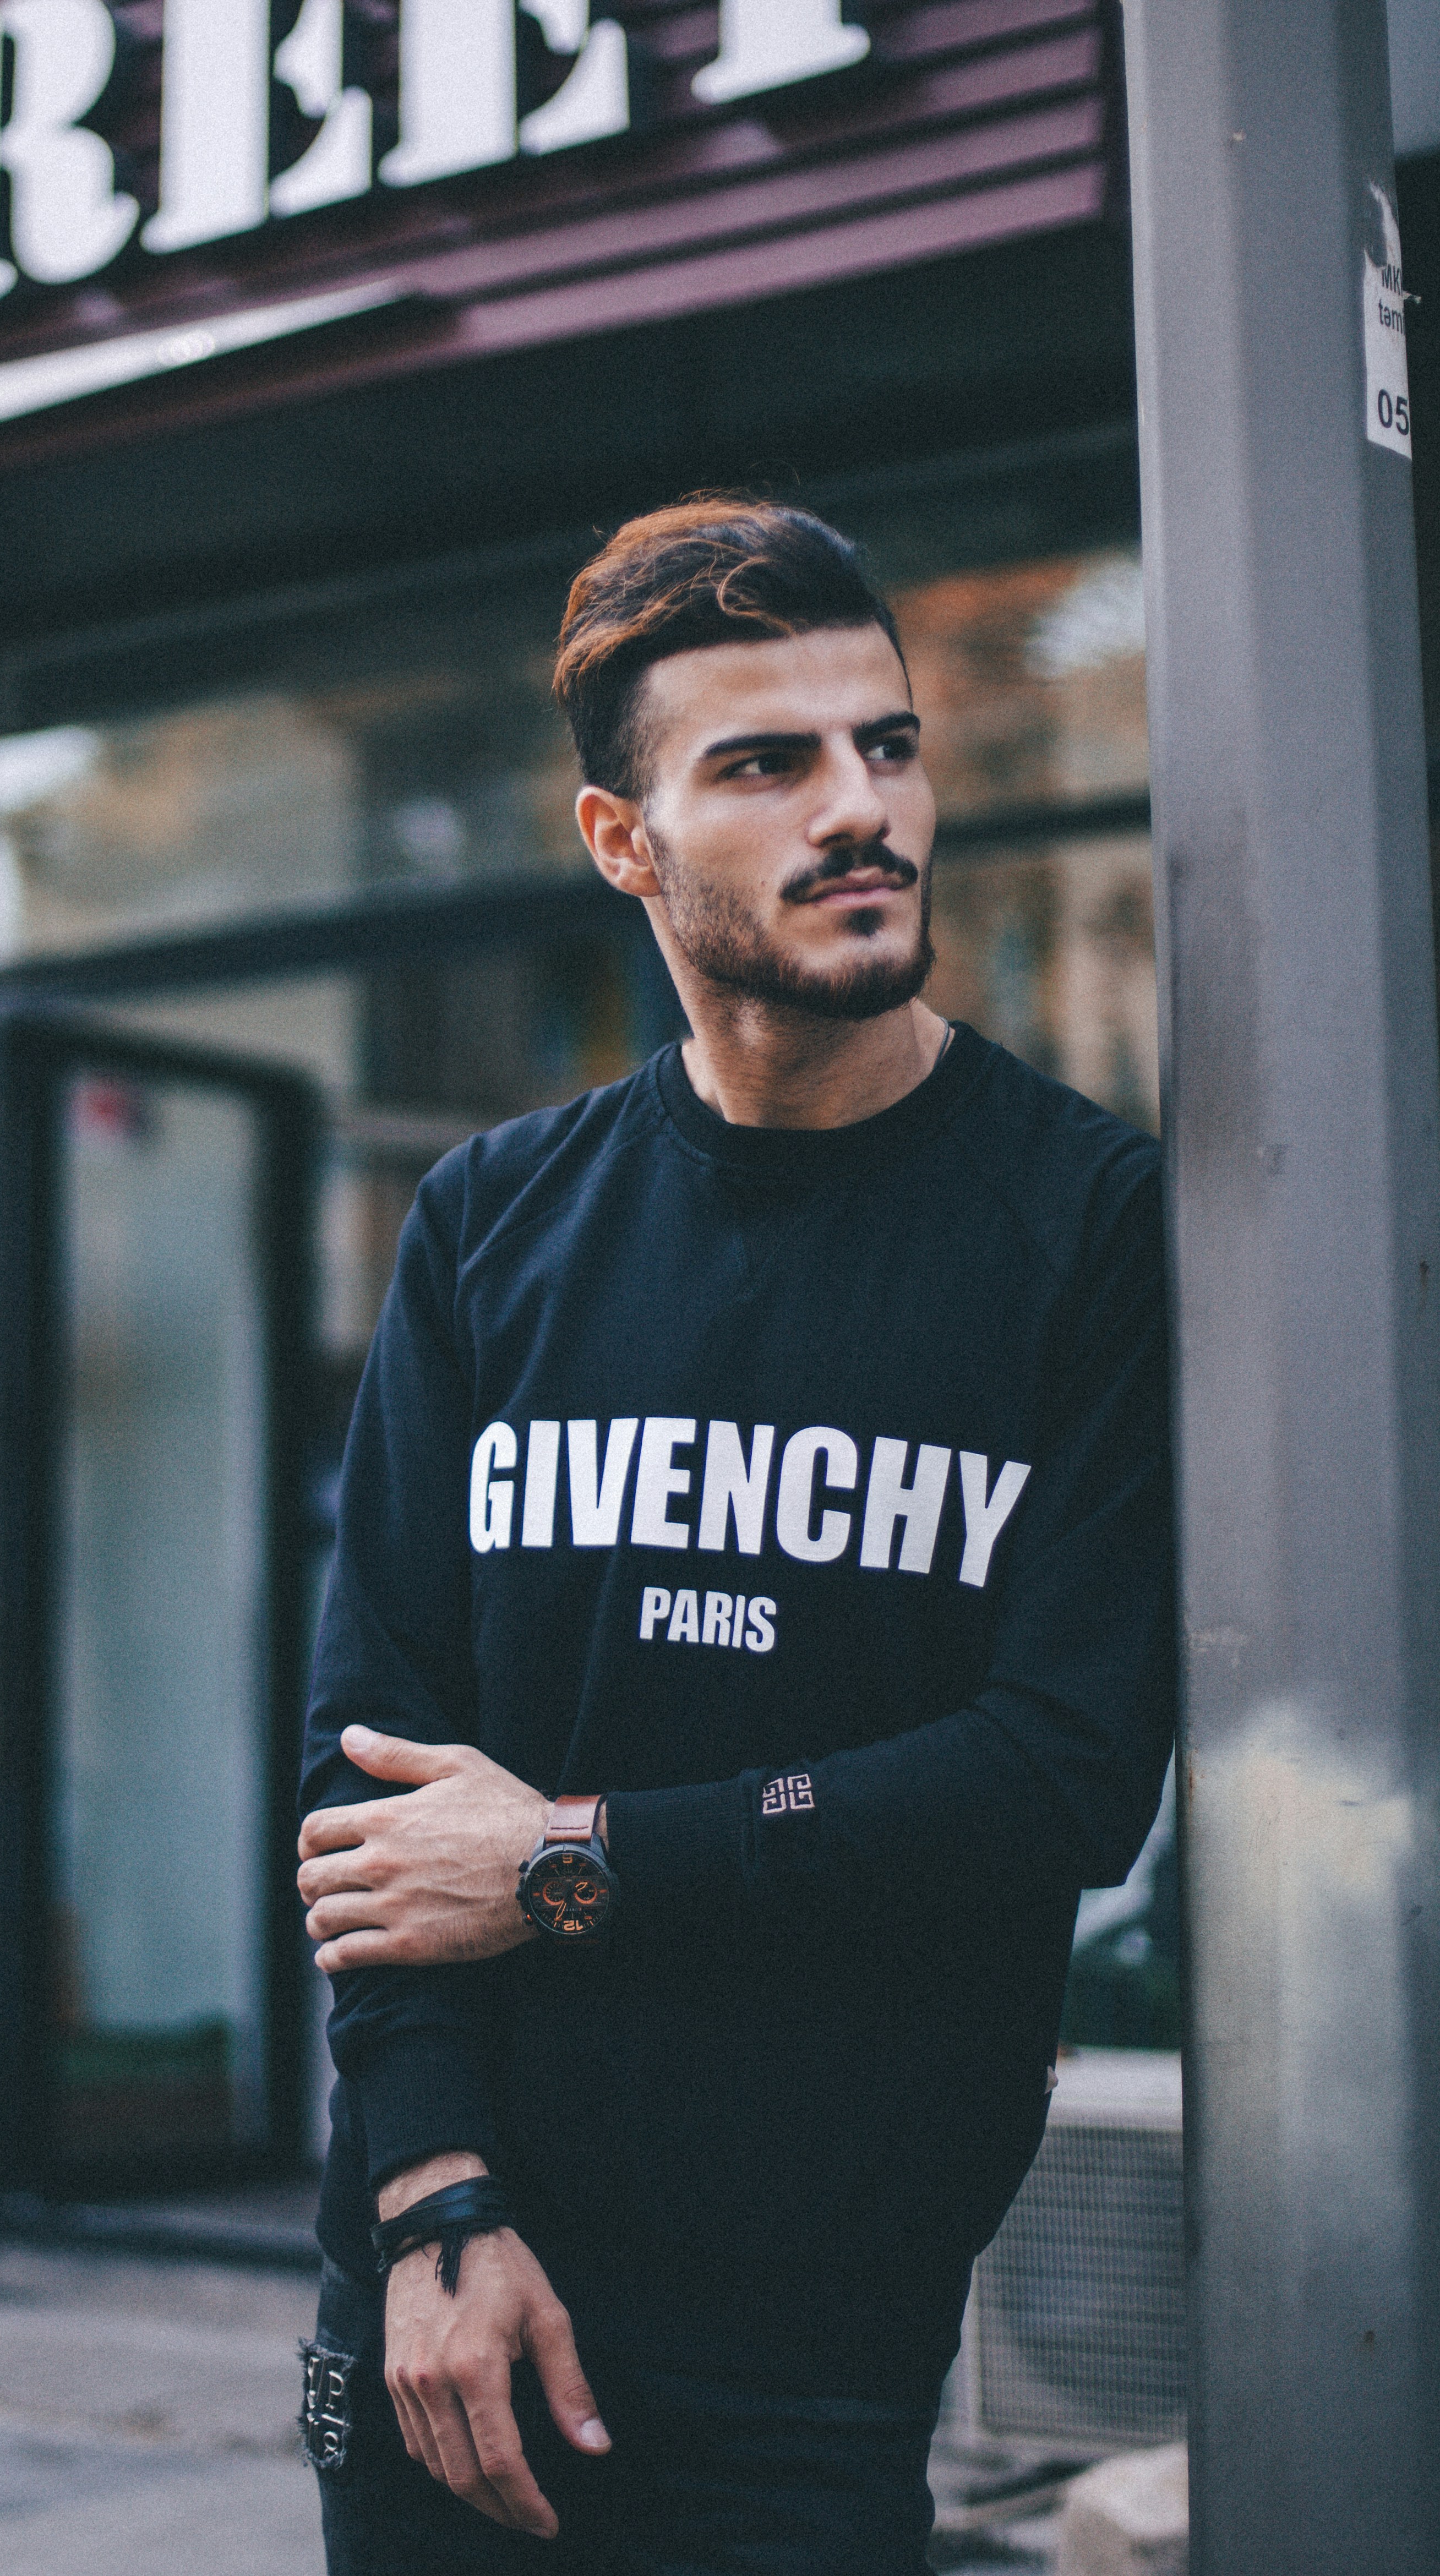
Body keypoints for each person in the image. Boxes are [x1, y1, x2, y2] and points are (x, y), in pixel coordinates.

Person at [293, 499, 1175, 2574]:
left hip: (814, 2343)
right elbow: (365, 1775)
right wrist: (432, 2199)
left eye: (885, 746)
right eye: (766, 766)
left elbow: (1061, 1773)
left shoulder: (1082, 1225)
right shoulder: (494, 1223)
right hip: (450, 2295)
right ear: (626, 843)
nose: (857, 811)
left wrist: (569, 1865)